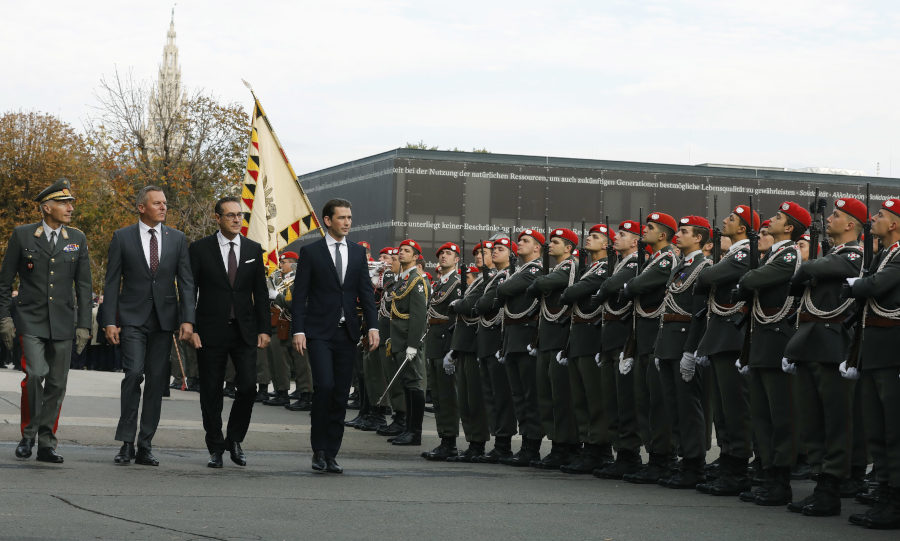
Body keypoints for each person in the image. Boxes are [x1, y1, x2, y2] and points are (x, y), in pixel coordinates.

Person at [0, 179, 92, 463]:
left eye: (71, 203)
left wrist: (84, 325)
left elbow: (84, 287)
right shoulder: (23, 235)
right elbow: (4, 283)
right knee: (36, 374)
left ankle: (46, 443)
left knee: (56, 383)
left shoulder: (77, 238)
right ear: (46, 207)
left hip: (64, 322)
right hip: (31, 319)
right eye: (64, 203)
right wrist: (4, 318)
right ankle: (28, 436)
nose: (70, 208)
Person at [784, 197, 866, 516]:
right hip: (810, 346)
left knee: (835, 423)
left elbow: (806, 269)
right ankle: (821, 482)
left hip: (833, 350)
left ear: (850, 225)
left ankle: (832, 487)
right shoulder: (830, 256)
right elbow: (798, 286)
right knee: (812, 422)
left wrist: (807, 268)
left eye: (837, 215)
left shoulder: (855, 255)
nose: (829, 219)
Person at [103, 185, 195, 466]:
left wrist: (188, 319)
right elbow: (111, 282)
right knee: (133, 374)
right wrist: (109, 321)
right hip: (131, 318)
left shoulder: (177, 239)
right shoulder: (122, 237)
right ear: (142, 207)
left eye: (165, 203)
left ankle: (145, 445)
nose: (163, 207)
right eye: (157, 203)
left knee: (157, 382)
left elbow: (187, 283)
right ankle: (126, 443)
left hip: (164, 321)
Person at [291, 198, 378, 473]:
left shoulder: (356, 252)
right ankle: (318, 449)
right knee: (325, 387)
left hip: (347, 333)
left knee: (340, 393)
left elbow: (365, 292)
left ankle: (331, 453)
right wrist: (298, 329)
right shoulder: (311, 252)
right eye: (342, 218)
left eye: (350, 218)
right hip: (318, 332)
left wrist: (372, 327)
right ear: (328, 220)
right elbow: (300, 294)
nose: (347, 222)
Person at [187, 196, 270, 468]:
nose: (237, 219)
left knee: (247, 386)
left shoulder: (253, 249)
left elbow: (260, 292)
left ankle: (234, 439)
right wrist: (192, 327)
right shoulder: (200, 249)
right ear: (218, 218)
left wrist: (264, 329)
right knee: (211, 390)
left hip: (244, 331)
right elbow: (190, 291)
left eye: (240, 215)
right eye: (231, 215)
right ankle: (215, 446)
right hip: (210, 331)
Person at [736, 201, 809, 506]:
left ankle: (779, 479)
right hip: (761, 340)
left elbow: (750, 281)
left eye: (778, 218)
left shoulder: (788, 253)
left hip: (777, 340)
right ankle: (767, 472)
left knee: (780, 416)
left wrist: (747, 280)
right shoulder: (772, 255)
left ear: (789, 228)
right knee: (762, 415)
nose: (769, 222)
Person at [694, 204, 759, 495]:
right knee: (722, 409)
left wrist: (710, 275)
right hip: (720, 337)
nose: (724, 221)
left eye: (731, 219)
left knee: (735, 409)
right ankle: (728, 459)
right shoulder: (733, 254)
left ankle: (737, 468)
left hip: (733, 338)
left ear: (743, 227)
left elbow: (706, 279)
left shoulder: (744, 253)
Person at [844, 197, 900, 529]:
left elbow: (877, 286)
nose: (874, 219)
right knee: (877, 431)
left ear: (894, 224)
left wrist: (852, 285)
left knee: (894, 432)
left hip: (893, 354)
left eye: (880, 215)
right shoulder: (881, 255)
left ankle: (895, 500)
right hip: (874, 354)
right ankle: (884, 494)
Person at [654, 216, 712, 488]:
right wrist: (659, 348)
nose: (678, 234)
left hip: (684, 343)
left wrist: (691, 350)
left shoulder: (703, 267)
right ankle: (682, 458)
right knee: (673, 406)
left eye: (685, 231)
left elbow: (699, 314)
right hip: (668, 344)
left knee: (689, 408)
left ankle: (694, 464)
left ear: (699, 238)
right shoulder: (681, 267)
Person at [621, 212, 678, 484]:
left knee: (657, 403)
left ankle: (663, 457)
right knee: (643, 401)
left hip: (656, 337)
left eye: (651, 227)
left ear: (663, 235)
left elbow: (637, 285)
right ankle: (653, 454)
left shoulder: (666, 259)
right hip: (643, 338)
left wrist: (629, 285)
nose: (645, 230)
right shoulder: (652, 260)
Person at [558, 224, 614, 474]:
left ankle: (598, 448)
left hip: (592, 337)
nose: (588, 239)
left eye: (595, 237)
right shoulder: (587, 268)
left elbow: (573, 293)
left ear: (606, 245)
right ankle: (586, 445)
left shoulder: (604, 268)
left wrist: (572, 292)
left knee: (595, 399)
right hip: (579, 336)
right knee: (580, 398)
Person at [526, 228, 580, 469]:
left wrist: (540, 283)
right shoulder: (557, 269)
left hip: (559, 339)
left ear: (568, 248)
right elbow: (535, 288)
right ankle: (557, 442)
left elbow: (543, 284)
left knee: (561, 398)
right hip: (547, 339)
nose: (550, 246)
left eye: (555, 242)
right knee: (546, 397)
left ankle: (566, 446)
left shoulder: (570, 267)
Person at [496, 229, 545, 466]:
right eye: (519, 240)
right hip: (513, 339)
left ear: (537, 248)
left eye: (525, 241)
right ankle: (526, 442)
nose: (519, 244)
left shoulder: (535, 270)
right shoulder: (519, 272)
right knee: (519, 396)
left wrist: (506, 285)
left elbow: (504, 290)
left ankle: (532, 445)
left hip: (526, 338)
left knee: (529, 395)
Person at [385, 239, 430, 446]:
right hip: (398, 341)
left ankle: (415, 432)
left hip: (408, 342)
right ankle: (407, 429)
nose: (401, 253)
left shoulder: (417, 280)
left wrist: (413, 344)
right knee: (406, 384)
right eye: (400, 250)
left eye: (406, 251)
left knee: (414, 385)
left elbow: (419, 316)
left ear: (415, 257)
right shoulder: (402, 280)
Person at [421, 242, 462, 460]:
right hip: (435, 342)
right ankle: (443, 439)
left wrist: (454, 349)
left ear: (457, 259)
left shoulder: (457, 283)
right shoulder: (439, 284)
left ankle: (450, 442)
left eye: (449, 254)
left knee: (447, 395)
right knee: (437, 395)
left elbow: (456, 318)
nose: (443, 256)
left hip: (446, 341)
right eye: (441, 254)